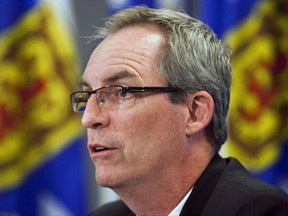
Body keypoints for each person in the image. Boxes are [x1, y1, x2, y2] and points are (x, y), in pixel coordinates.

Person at [70, 6, 288, 216]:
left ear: (195, 112)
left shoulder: (256, 209)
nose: (89, 119)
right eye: (88, 95)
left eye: (122, 92)